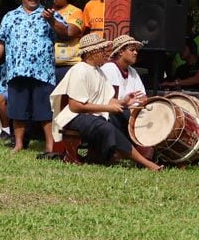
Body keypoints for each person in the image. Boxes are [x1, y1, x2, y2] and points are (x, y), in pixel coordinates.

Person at [50, 33, 160, 170]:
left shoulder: (98, 71)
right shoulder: (79, 70)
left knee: (124, 116)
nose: (105, 53)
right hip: (74, 117)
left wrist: (124, 103)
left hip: (91, 115)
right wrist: (108, 108)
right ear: (91, 52)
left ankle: (119, 154)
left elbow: (107, 99)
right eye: (102, 50)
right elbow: (75, 106)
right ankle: (145, 162)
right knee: (106, 126)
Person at [0, 0, 70, 154]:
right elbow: (0, 41)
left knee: (45, 110)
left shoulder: (49, 13)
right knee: (17, 110)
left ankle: (50, 145)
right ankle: (18, 144)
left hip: (42, 72)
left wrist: (51, 20)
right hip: (17, 70)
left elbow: (65, 32)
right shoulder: (10, 16)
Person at [47, 0, 84, 80]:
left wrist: (51, 20)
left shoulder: (75, 11)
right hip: (48, 65)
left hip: (70, 65)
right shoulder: (44, 12)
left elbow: (70, 33)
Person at [100, 34, 147, 100]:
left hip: (132, 109)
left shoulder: (133, 71)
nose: (135, 53)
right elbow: (110, 100)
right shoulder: (108, 69)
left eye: (136, 50)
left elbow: (143, 97)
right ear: (121, 52)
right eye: (132, 50)